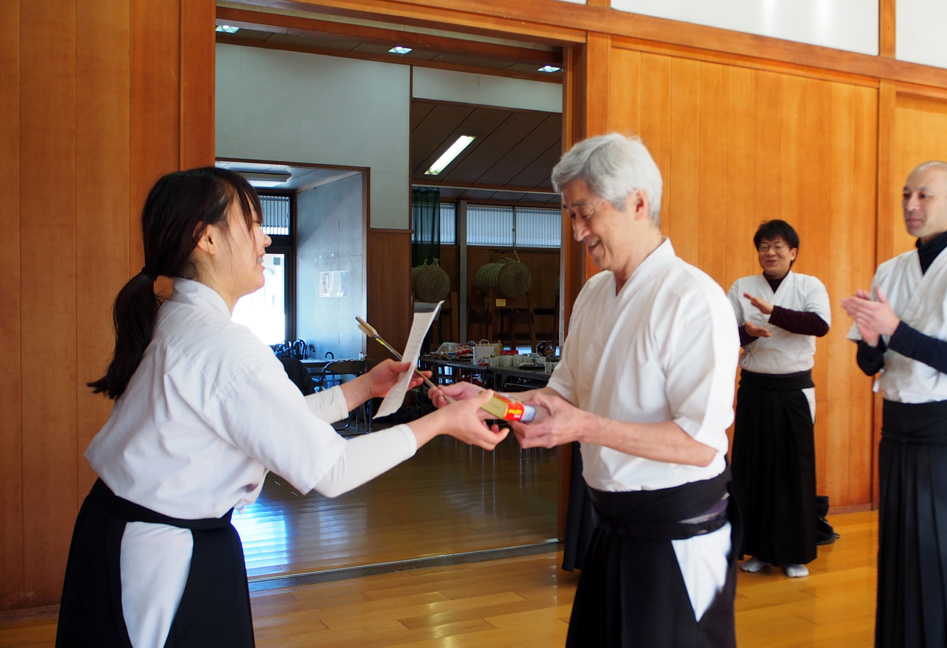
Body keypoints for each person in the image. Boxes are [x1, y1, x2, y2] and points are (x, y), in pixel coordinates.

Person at [55, 167, 506, 648]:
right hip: (162, 554)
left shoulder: (180, 319)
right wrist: (440, 422)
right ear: (207, 238)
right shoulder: (223, 345)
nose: (265, 239)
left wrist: (361, 389)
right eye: (252, 224)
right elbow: (333, 469)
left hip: (122, 531)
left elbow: (267, 421)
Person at [433, 133, 741, 647]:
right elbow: (562, 399)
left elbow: (700, 444)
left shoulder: (695, 300)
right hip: (610, 526)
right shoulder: (595, 292)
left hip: (677, 535)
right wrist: (489, 401)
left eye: (585, 213)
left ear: (638, 203)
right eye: (570, 215)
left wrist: (587, 428)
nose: (577, 232)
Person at [841, 160, 947, 648]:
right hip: (897, 431)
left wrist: (895, 329)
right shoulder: (891, 269)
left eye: (924, 195)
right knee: (901, 551)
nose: (911, 205)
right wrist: (871, 340)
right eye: (906, 194)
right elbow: (871, 365)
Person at [726, 219, 830, 578]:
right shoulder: (742, 287)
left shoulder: (809, 285)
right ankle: (756, 549)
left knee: (792, 472)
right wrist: (749, 334)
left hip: (793, 390)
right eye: (764, 247)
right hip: (755, 388)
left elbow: (820, 325)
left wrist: (773, 313)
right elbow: (724, 334)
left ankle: (793, 553)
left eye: (778, 246)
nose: (770, 253)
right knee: (751, 469)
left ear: (793, 252)